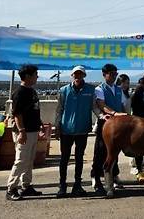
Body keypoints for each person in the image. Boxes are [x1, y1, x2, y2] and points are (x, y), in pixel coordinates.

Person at [54, 66, 94, 198]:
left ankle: (77, 184)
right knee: (64, 158)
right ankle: (62, 185)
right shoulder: (64, 90)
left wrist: (102, 116)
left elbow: (94, 107)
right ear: (72, 75)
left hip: (82, 129)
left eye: (80, 74)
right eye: (75, 74)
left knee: (79, 158)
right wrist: (57, 127)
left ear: (84, 75)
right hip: (66, 130)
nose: (77, 76)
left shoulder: (90, 90)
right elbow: (59, 110)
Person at [6, 64, 44, 201]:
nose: (37, 77)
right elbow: (17, 114)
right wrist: (21, 131)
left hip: (33, 130)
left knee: (29, 160)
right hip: (24, 131)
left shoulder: (32, 91)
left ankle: (26, 186)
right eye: (35, 74)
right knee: (21, 160)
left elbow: (34, 109)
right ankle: (11, 188)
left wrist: (40, 124)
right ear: (27, 76)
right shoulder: (19, 93)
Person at [91, 64, 128, 195]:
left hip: (119, 126)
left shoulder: (119, 89)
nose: (113, 76)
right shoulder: (99, 89)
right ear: (104, 74)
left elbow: (123, 106)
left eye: (115, 73)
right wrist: (114, 114)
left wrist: (126, 117)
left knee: (115, 152)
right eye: (111, 73)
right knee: (100, 152)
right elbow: (102, 105)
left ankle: (113, 175)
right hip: (105, 123)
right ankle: (95, 178)